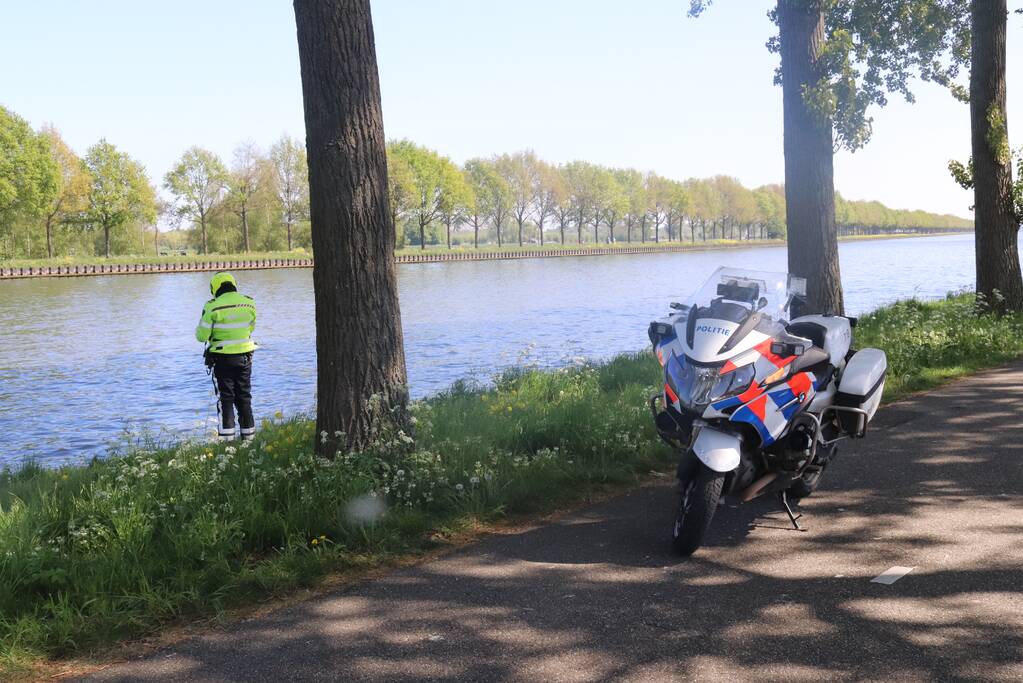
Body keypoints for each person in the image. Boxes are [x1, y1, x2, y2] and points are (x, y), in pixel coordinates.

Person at [195, 272, 257, 441]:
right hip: (246, 357)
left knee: (226, 399)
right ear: (233, 284)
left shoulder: (212, 306)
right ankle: (249, 441)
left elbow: (201, 336)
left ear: (214, 287)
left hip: (222, 358)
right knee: (244, 397)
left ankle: (227, 444)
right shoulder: (249, 303)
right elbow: (251, 328)